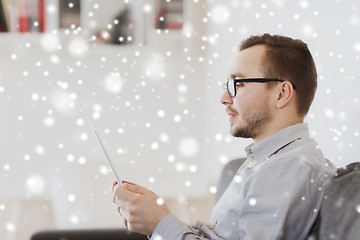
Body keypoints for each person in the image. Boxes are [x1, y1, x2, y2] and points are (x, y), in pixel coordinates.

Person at [112, 33, 336, 240]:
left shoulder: (288, 167)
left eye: (238, 84)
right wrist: (155, 216)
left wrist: (159, 222)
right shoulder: (267, 161)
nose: (224, 98)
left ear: (282, 93)